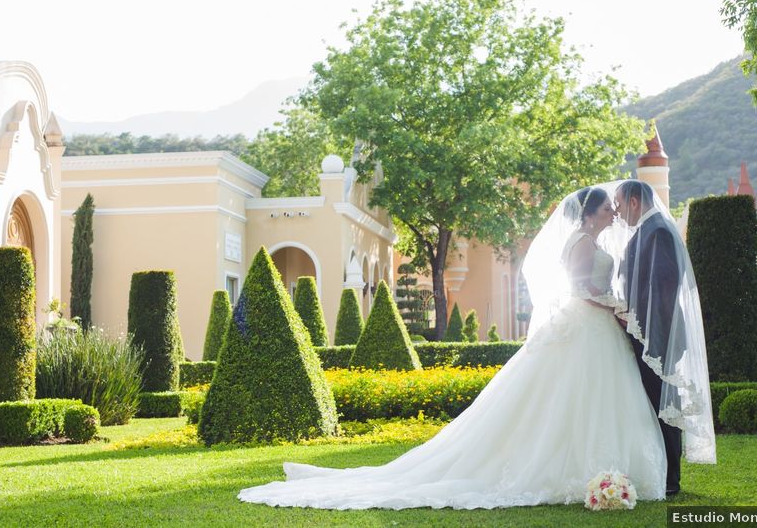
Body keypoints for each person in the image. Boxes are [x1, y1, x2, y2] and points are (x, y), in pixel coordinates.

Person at [238, 186, 669, 510]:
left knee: (595, 398)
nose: (614, 211)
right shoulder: (580, 243)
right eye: (608, 207)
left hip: (597, 330)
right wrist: (614, 305)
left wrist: (613, 307)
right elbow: (580, 287)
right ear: (592, 212)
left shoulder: (594, 241)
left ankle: (604, 467)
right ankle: (572, 469)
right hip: (585, 325)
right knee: (567, 396)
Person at [612, 180, 717, 497]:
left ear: (633, 201)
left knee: (664, 405)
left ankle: (671, 479)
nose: (617, 211)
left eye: (618, 204)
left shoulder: (658, 231)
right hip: (650, 332)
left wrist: (635, 321)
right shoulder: (649, 230)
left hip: (659, 335)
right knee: (653, 403)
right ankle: (660, 472)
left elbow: (664, 289)